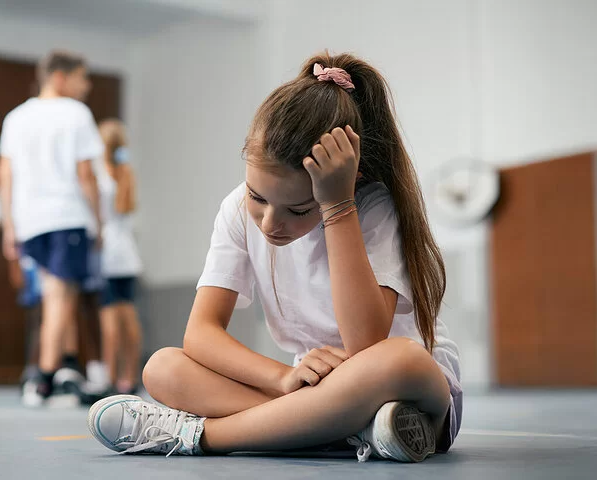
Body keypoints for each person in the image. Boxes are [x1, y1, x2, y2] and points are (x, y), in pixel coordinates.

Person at [86, 52, 461, 464]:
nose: (269, 223)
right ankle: (349, 429)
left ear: (346, 179)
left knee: (400, 358)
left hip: (403, 387)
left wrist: (337, 206)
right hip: (312, 389)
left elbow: (367, 343)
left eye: (299, 210)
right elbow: (201, 334)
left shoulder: (371, 206)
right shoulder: (233, 210)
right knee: (163, 368)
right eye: (257, 197)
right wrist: (282, 378)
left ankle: (201, 434)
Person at [0, 50, 104, 407]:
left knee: (60, 293)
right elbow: (86, 174)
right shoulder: (76, 114)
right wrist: (99, 220)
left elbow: (5, 173)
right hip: (66, 215)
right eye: (81, 78)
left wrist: (9, 225)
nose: (86, 86)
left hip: (31, 221)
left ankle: (68, 368)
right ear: (60, 77)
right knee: (60, 296)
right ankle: (42, 377)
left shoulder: (16, 117)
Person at [94, 119, 145, 396]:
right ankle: (129, 377)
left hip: (107, 254)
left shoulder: (100, 174)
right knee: (128, 316)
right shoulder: (126, 173)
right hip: (128, 254)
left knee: (109, 320)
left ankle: (110, 379)